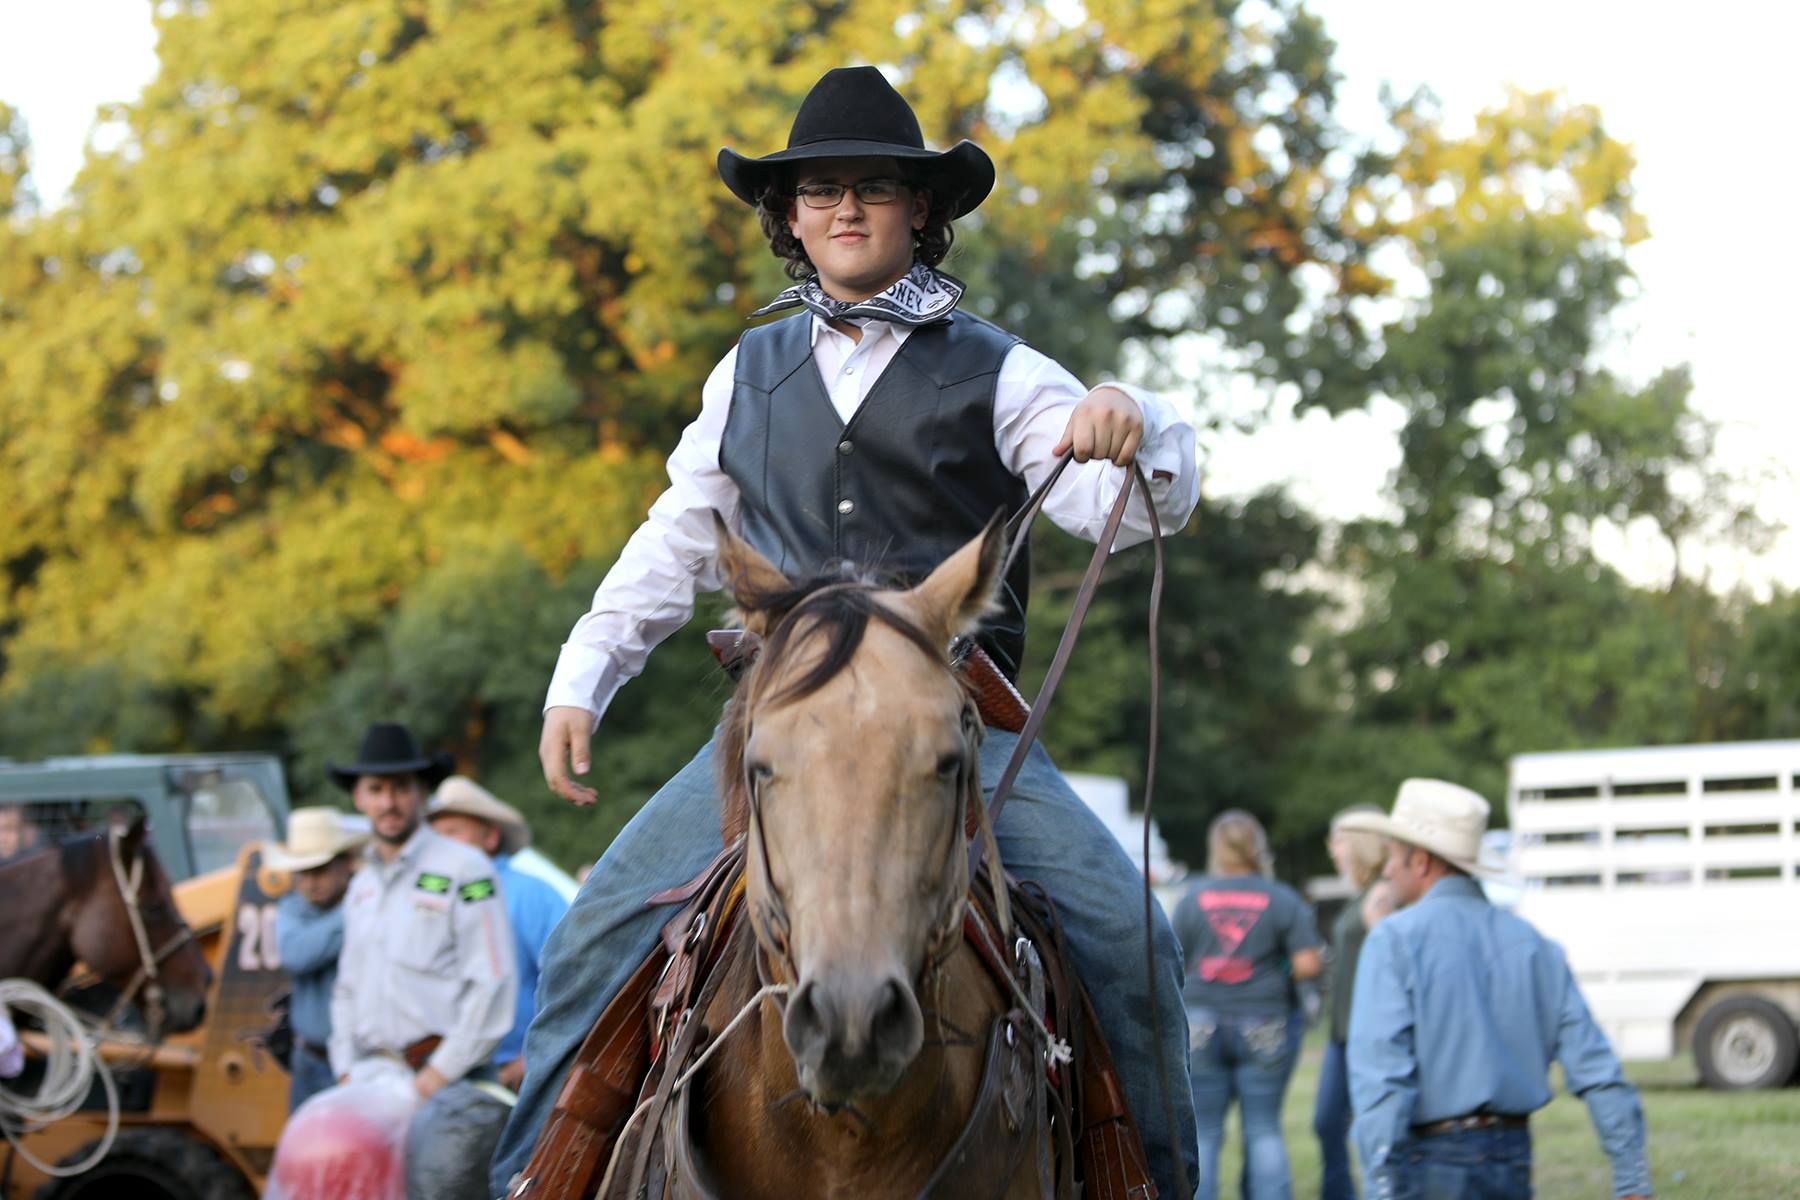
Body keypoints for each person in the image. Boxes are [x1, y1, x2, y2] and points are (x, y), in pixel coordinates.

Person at [493, 65, 1203, 1198]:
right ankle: (529, 1187)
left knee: (1135, 946)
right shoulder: (750, 370)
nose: (846, 210)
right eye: (819, 191)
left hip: (953, 725)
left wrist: (1131, 419)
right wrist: (582, 677)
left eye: (875, 187)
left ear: (923, 210)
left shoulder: (1000, 367)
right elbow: (681, 532)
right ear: (789, 216)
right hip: (780, 722)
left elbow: (1131, 510)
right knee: (590, 939)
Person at [1341, 780, 1652, 1200]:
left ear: (1421, 861)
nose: (1387, 869)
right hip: (1512, 1155)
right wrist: (1631, 1177)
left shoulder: (1394, 941)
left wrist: (1379, 1184)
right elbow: (1597, 1070)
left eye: (1394, 857)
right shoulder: (1534, 946)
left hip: (1430, 1159)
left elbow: (1381, 1078)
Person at [323, 723, 517, 1200]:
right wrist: (346, 1068)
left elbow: (492, 984)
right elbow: (347, 987)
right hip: (369, 1085)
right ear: (359, 799)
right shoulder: (362, 885)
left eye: (401, 788)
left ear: (422, 793)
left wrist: (432, 1080)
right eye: (376, 789)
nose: (389, 803)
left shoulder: (466, 870)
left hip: (448, 1087)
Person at [1172, 810, 1322, 1200]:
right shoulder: (1281, 899)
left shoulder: (1192, 899)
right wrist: (1275, 968)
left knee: (1204, 1133)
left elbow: (1174, 961)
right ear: (1258, 848)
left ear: (1216, 849)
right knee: (1263, 1129)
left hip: (1202, 1024)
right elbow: (1308, 964)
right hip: (1264, 1023)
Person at [427, 775, 570, 1091]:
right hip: (436, 1076)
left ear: (490, 837)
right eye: (435, 836)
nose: (439, 846)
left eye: (452, 833)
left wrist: (534, 1056)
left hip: (515, 1077)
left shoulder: (531, 895)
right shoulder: (428, 899)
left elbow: (572, 978)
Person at [1313, 806, 1395, 1200]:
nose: (1333, 850)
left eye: (1339, 840)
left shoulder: (1382, 894)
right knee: (1328, 1122)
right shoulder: (1365, 893)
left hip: (1365, 1034)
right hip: (1343, 1033)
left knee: (1357, 1128)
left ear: (1360, 843)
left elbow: (1394, 962)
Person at [265, 806, 366, 1111]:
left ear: (346, 864)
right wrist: (356, 911)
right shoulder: (294, 908)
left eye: (319, 869)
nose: (309, 882)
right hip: (310, 1058)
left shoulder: (369, 906)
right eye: (302, 872)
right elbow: (297, 955)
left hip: (358, 1064)